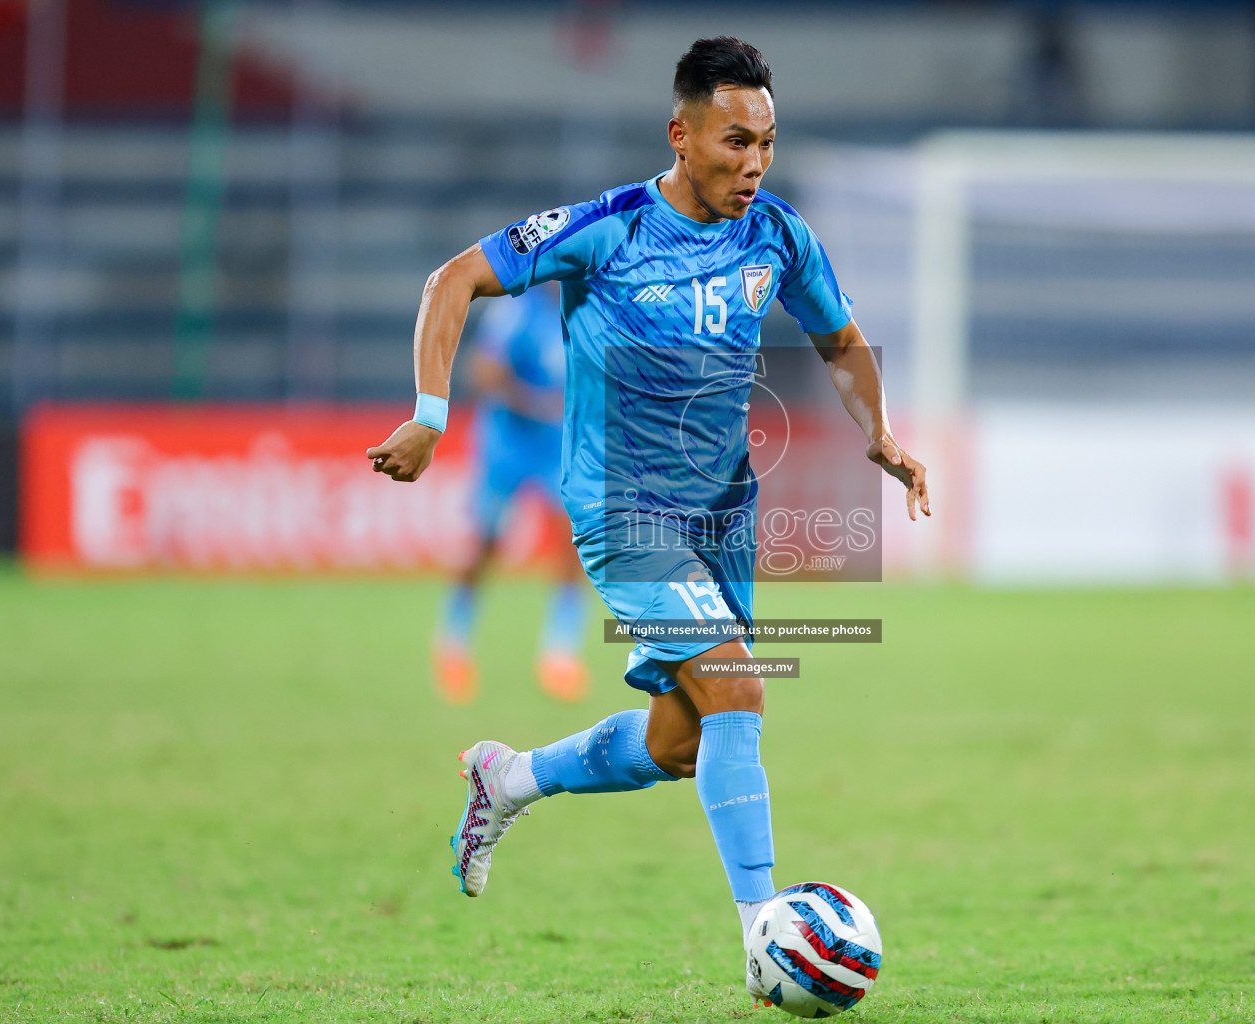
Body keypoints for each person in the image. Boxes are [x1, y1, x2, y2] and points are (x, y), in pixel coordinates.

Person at [366, 36, 930, 996]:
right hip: (622, 512)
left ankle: (505, 779)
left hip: (722, 519)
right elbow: (451, 279)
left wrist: (878, 430)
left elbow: (839, 339)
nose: (753, 162)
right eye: (734, 140)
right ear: (682, 133)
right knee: (740, 692)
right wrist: (428, 416)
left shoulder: (778, 235)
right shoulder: (611, 228)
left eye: (767, 143)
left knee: (683, 739)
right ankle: (767, 935)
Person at [433, 283, 591, 705]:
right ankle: (453, 644)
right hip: (507, 446)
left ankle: (560, 655)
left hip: (554, 446)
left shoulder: (588, 308)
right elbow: (482, 371)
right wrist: (535, 402)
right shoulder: (516, 312)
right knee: (486, 546)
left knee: (572, 544)